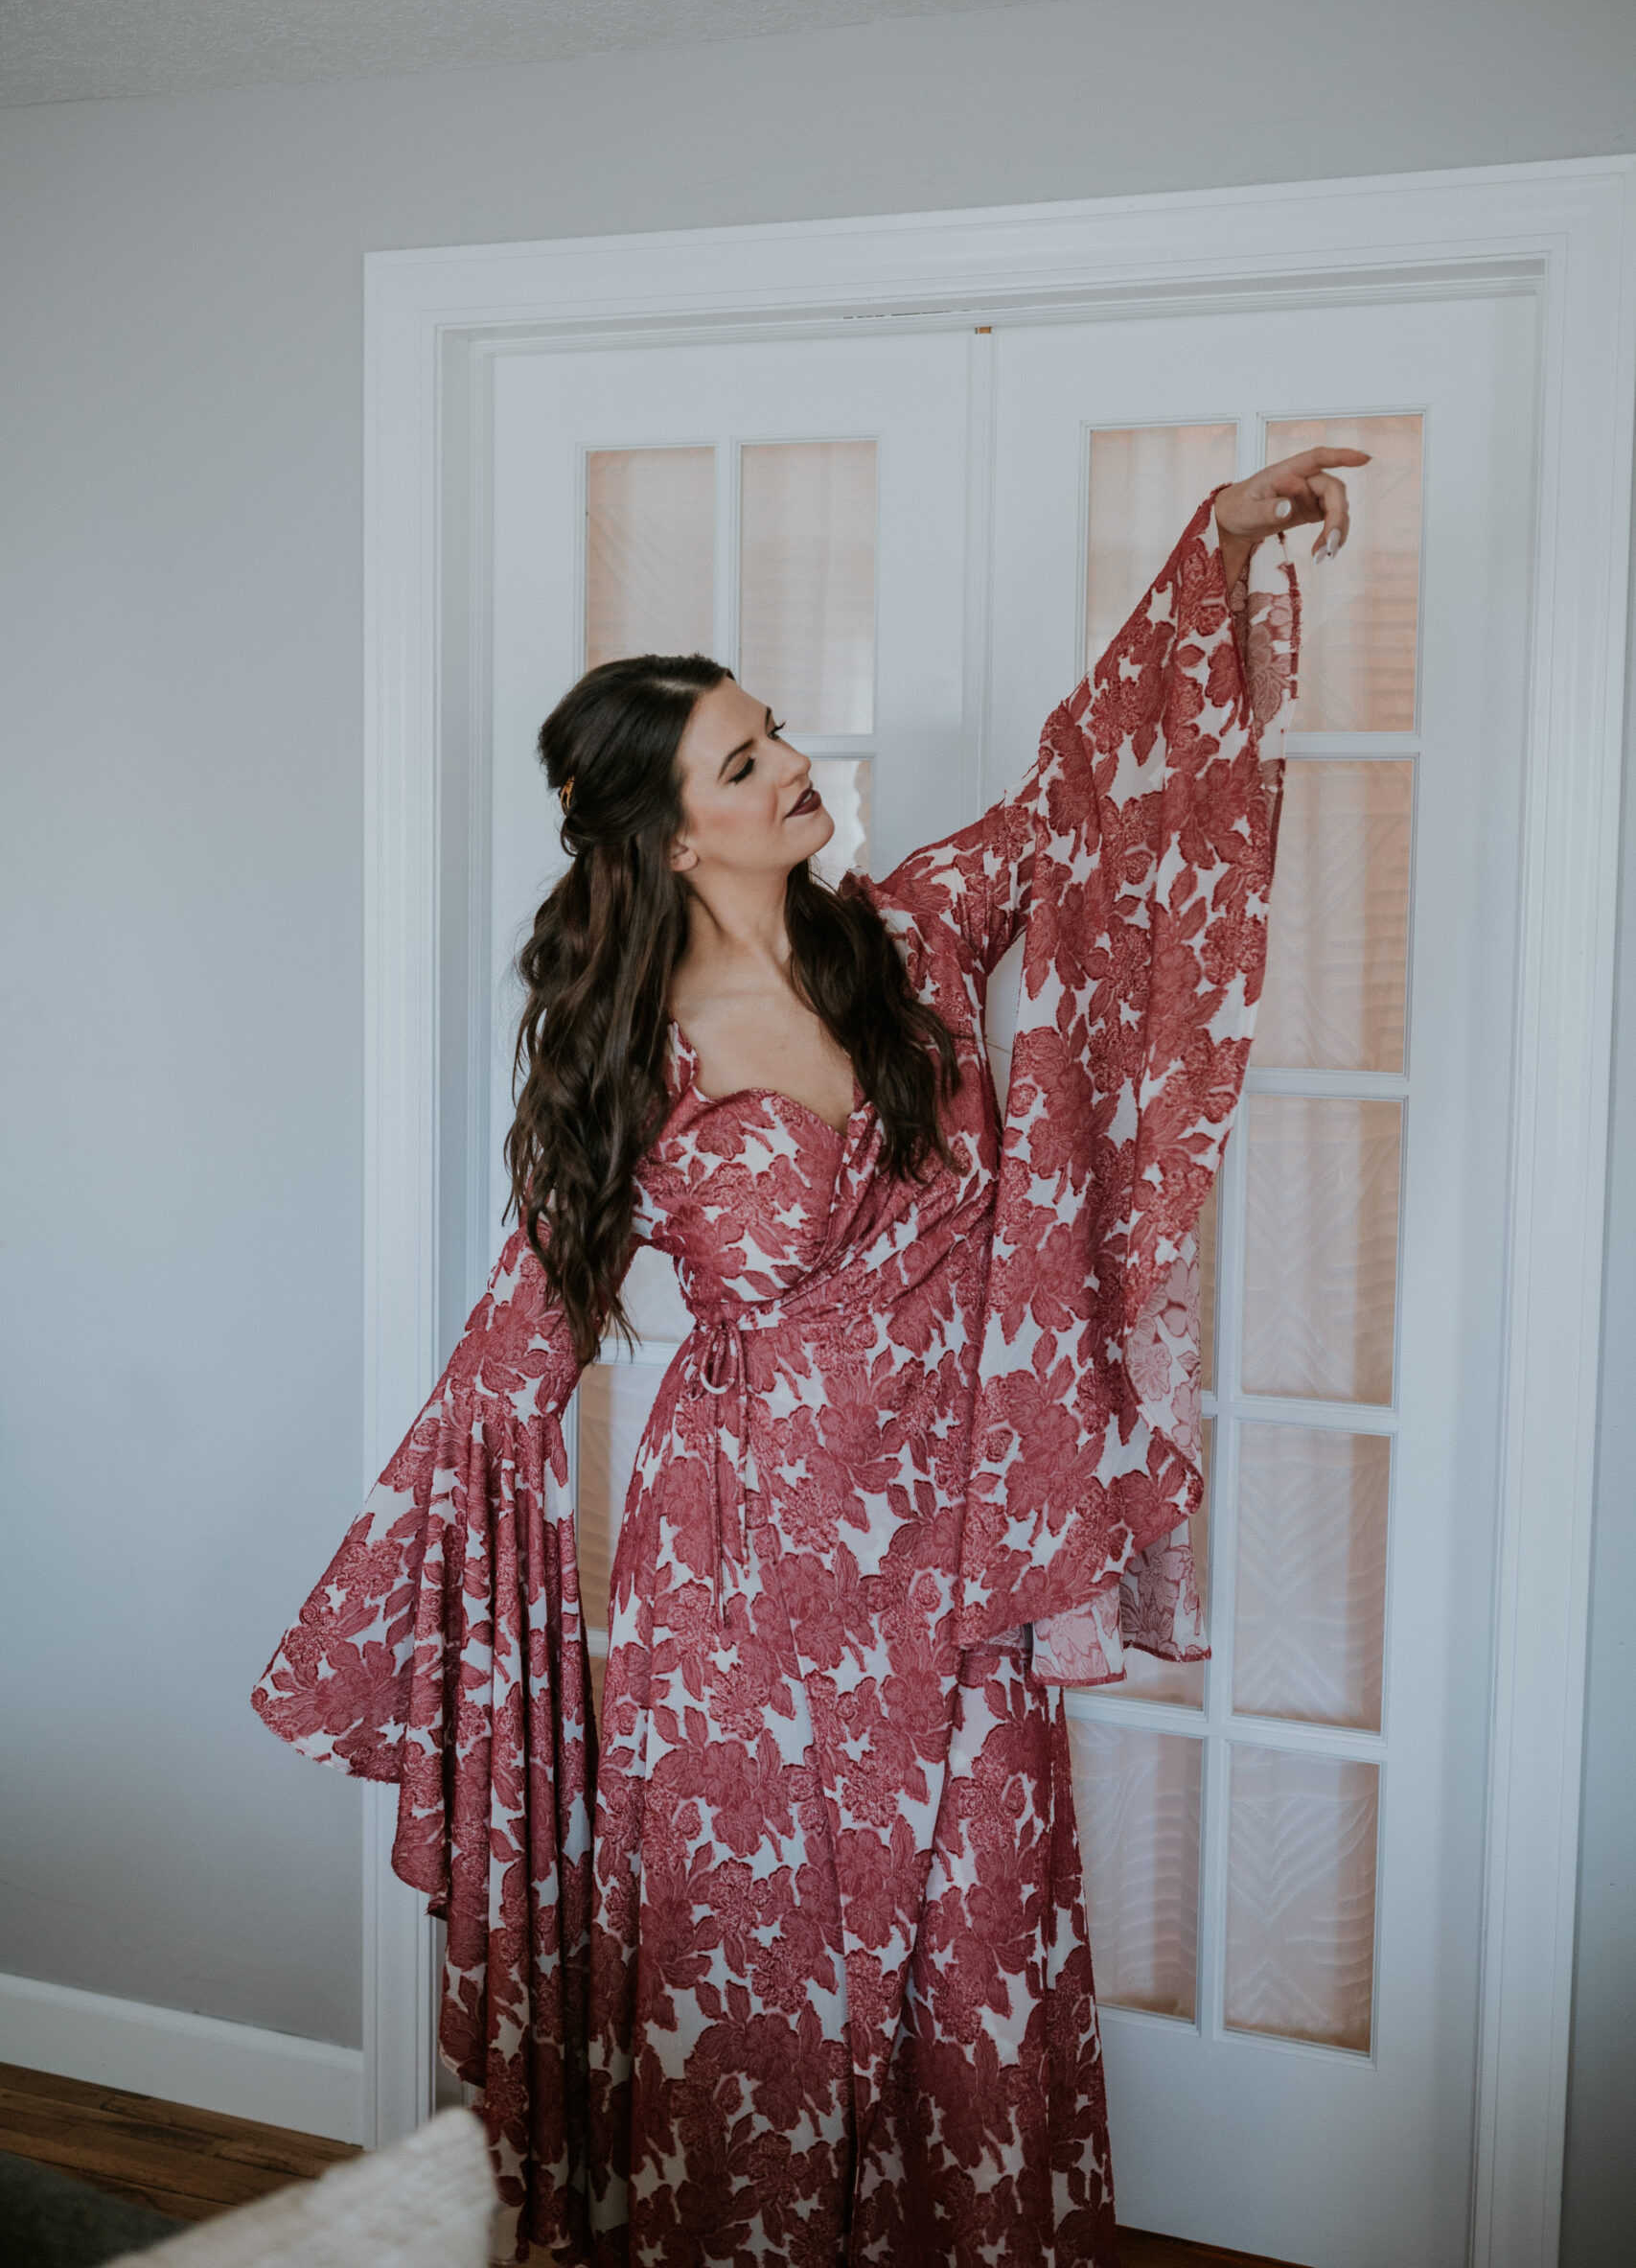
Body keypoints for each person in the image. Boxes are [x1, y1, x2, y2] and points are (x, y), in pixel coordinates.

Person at [255, 454, 1366, 2266]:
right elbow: (515, 1348)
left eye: (775, 733)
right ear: (671, 836)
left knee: (977, 1960)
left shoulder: (911, 945)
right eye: (748, 761)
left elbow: (1087, 794)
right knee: (755, 1994)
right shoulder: (633, 1063)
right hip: (739, 1586)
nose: (796, 772)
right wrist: (397, 1621)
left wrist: (1217, 546)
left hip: (954, 1549)